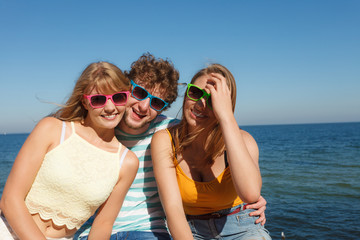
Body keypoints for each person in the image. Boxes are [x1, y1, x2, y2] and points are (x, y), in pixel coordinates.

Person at [76, 54, 268, 240]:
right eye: (139, 93)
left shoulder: (167, 130)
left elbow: (250, 193)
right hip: (100, 230)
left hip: (149, 231)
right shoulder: (97, 127)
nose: (144, 106)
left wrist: (226, 115)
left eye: (156, 102)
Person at [0, 62, 139, 240]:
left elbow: (103, 224)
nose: (111, 108)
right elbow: (10, 199)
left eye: (119, 97)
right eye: (98, 100)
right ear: (85, 102)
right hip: (8, 231)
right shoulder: (51, 129)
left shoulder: (127, 162)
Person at [151, 64, 271, 240]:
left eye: (212, 100)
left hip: (242, 227)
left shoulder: (243, 140)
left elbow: (250, 194)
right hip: (191, 230)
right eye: (195, 93)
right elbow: (173, 209)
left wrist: (226, 117)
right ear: (186, 94)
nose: (201, 104)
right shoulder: (166, 141)